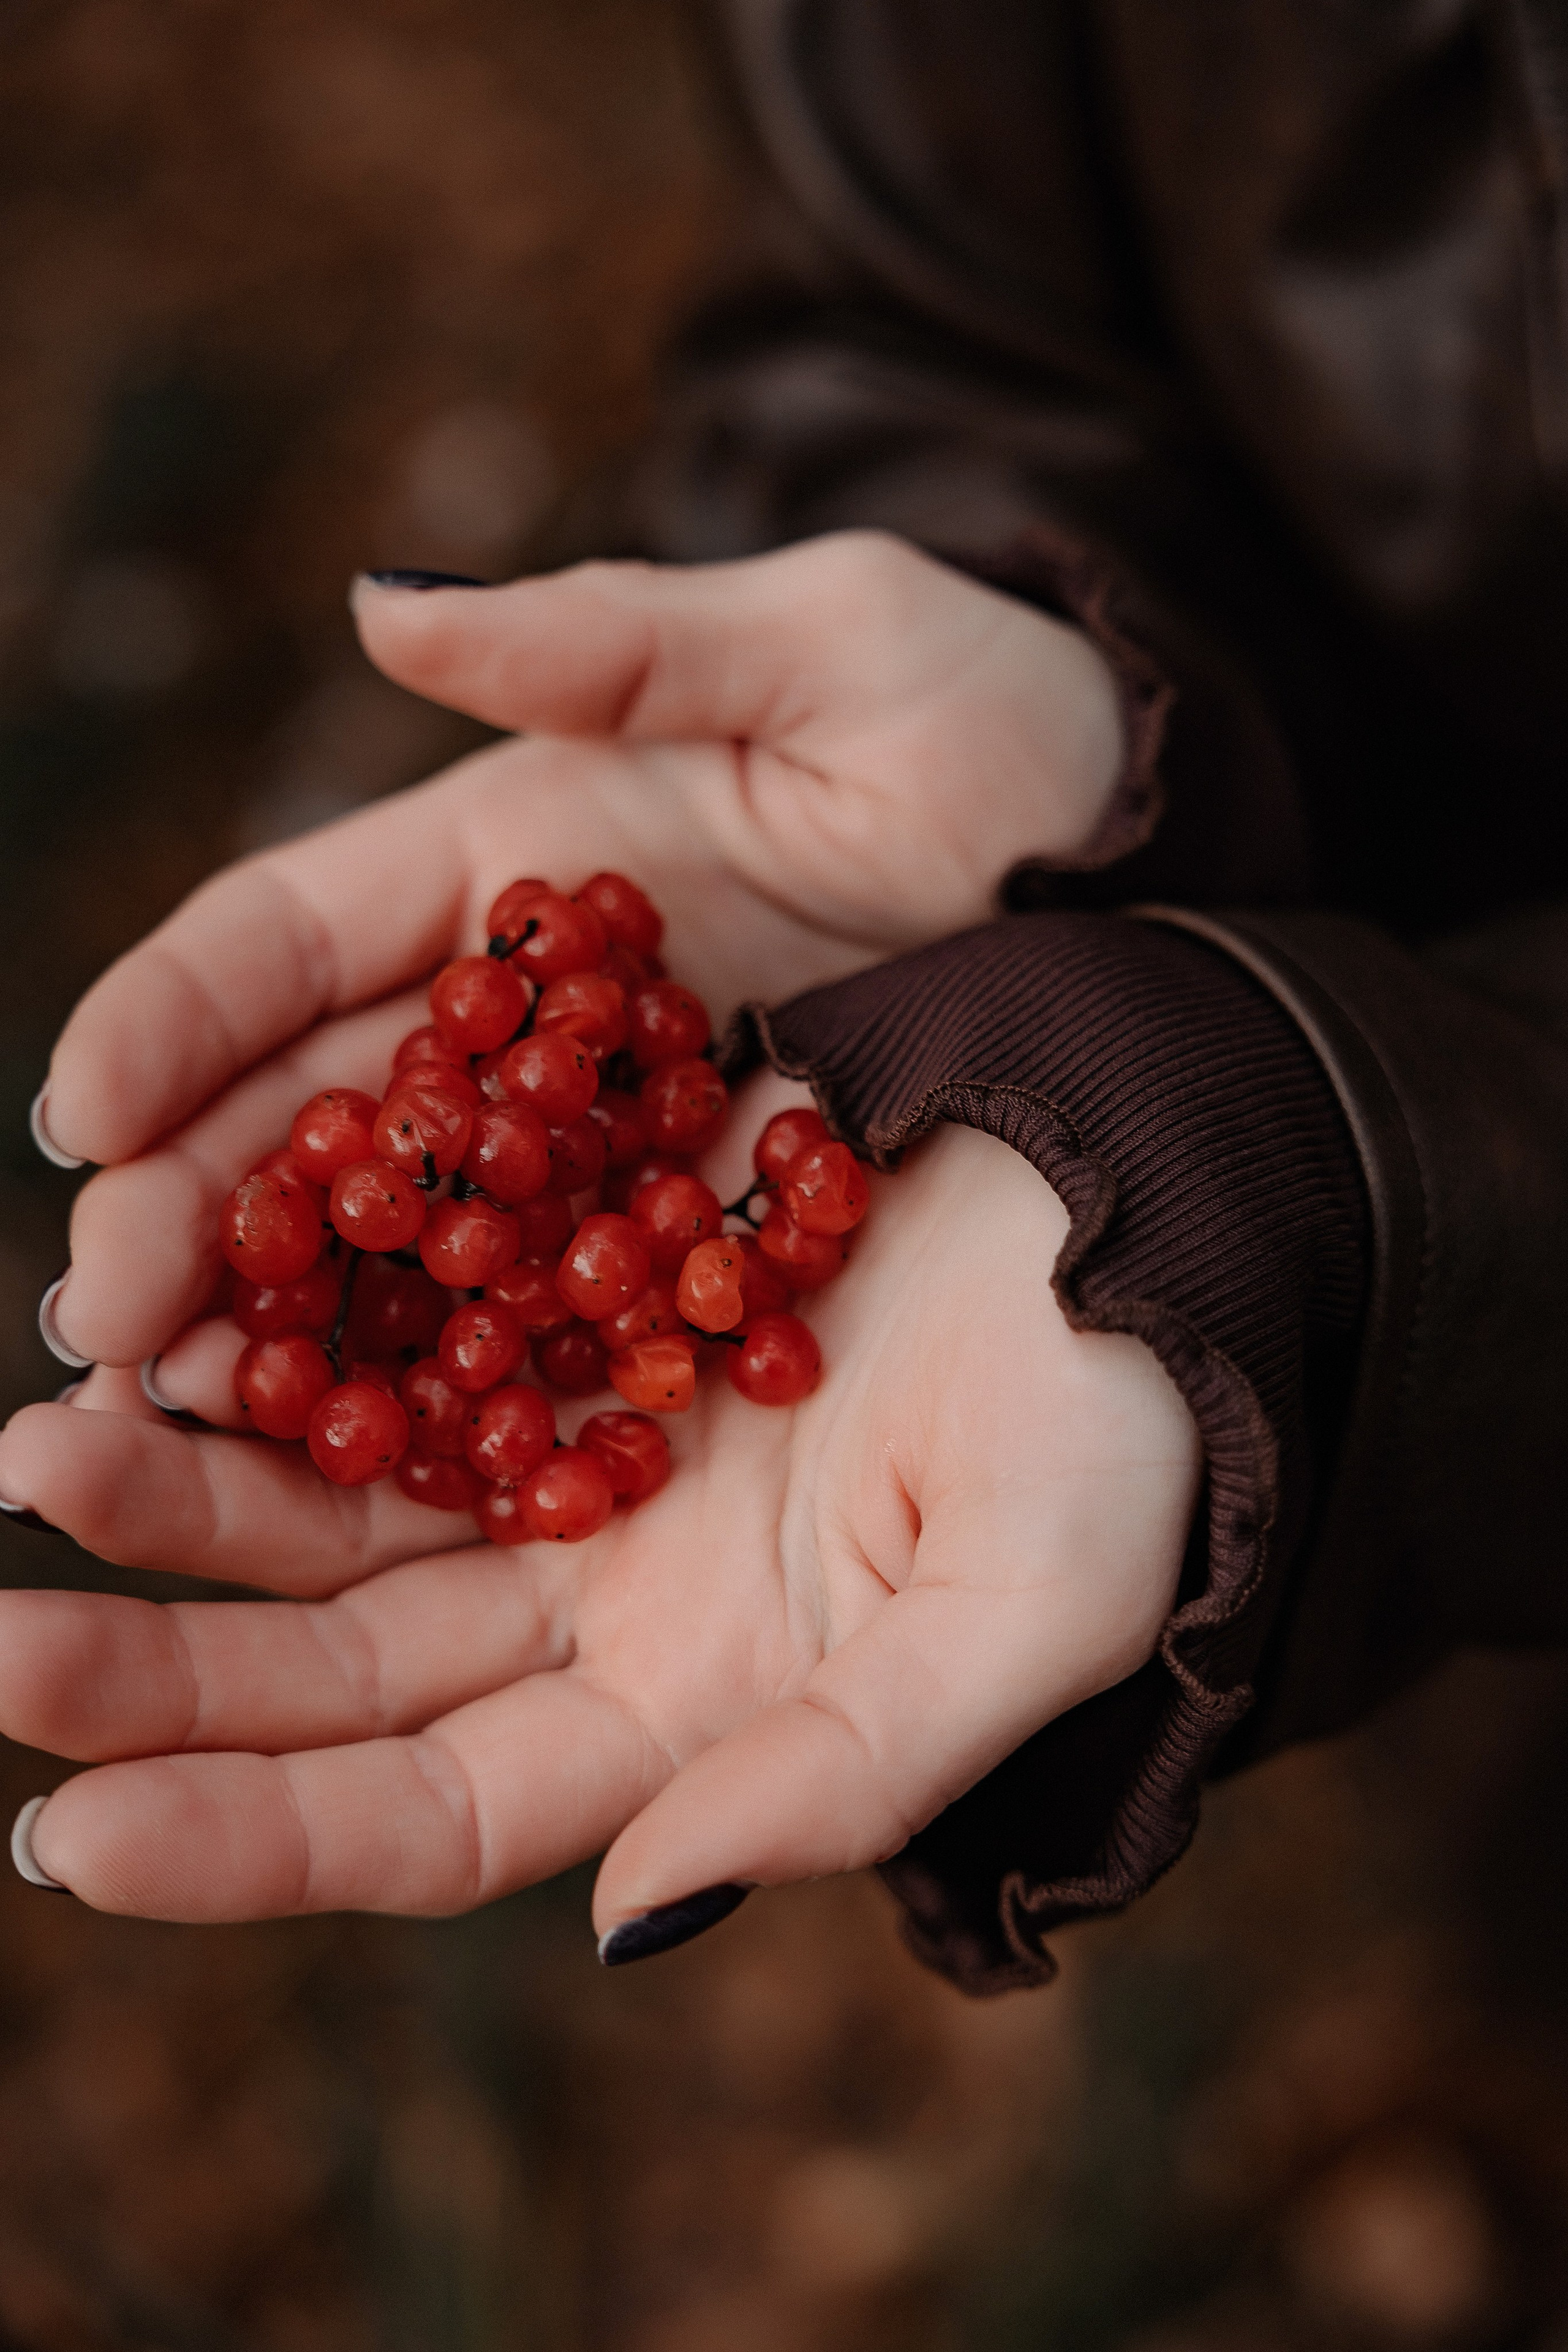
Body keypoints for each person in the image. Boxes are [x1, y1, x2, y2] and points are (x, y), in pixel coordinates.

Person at [1, 0, 1564, 1995]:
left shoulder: (612, 1235)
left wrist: (1330, 1171)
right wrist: (1058, 652)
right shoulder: (567, 1169)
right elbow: (908, 305)